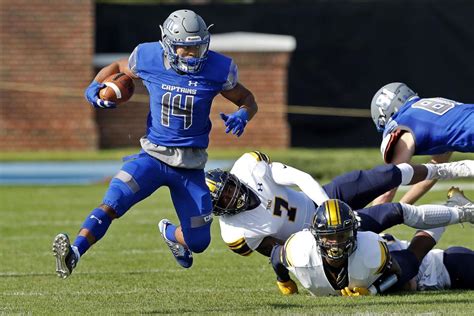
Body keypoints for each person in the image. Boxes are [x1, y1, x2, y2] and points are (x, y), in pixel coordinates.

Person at [52, 9, 258, 278]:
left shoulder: (217, 68)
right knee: (113, 202)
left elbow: (247, 98)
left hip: (190, 166)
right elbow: (116, 68)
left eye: (197, 48)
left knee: (199, 243)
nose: (191, 55)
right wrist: (93, 86)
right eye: (185, 48)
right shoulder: (149, 57)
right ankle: (73, 254)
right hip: (152, 156)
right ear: (168, 43)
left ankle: (170, 233)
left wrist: (244, 113)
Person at [205, 151, 474, 258]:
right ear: (221, 211)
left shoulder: (249, 167)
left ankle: (448, 169)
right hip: (324, 235)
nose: (231, 196)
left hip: (320, 197)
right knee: (396, 211)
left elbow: (300, 177)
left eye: (228, 189)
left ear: (231, 179)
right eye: (225, 200)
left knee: (383, 175)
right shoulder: (236, 232)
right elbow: (279, 253)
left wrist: (325, 204)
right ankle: (464, 212)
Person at [270, 199, 447, 296]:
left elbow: (397, 271)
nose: (336, 243)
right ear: (316, 235)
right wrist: (283, 280)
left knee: (412, 261)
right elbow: (276, 256)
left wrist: (374, 290)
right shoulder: (298, 250)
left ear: (355, 233)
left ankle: (445, 214)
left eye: (342, 236)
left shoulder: (371, 250)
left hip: (376, 263)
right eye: (329, 236)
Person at [370, 82, 474, 205]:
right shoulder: (435, 105)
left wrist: (368, 222)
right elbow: (435, 170)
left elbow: (388, 187)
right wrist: (401, 209)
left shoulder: (403, 123)